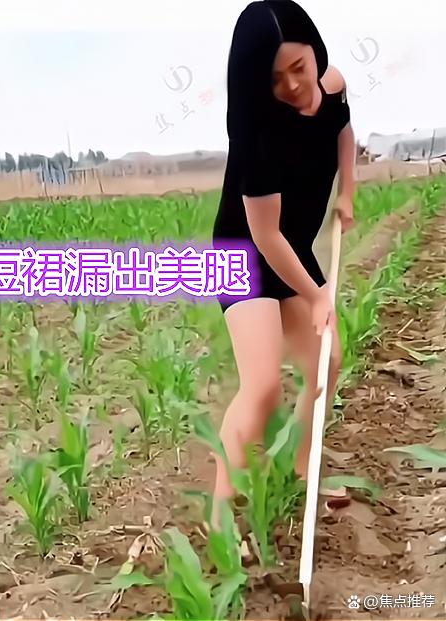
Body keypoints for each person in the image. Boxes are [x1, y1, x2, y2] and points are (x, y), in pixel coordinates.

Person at [211, 0, 356, 527]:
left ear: (315, 51)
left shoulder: (332, 86)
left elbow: (343, 130)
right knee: (264, 385)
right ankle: (221, 517)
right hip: (244, 253)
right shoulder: (258, 137)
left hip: (291, 248)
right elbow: (264, 235)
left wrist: (348, 193)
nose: (294, 85)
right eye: (276, 79)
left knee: (326, 362)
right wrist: (316, 295)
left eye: (299, 67)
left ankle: (301, 471)